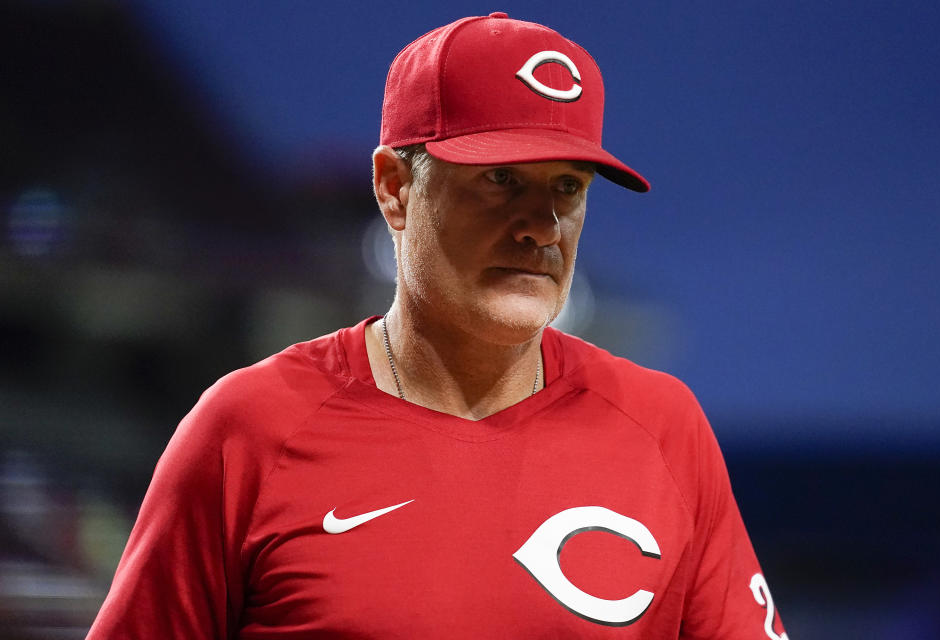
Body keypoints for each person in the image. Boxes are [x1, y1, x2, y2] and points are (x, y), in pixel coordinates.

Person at [87, 12, 788, 639]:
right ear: (395, 187)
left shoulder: (663, 427)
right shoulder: (250, 429)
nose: (540, 227)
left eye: (567, 187)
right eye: (500, 180)